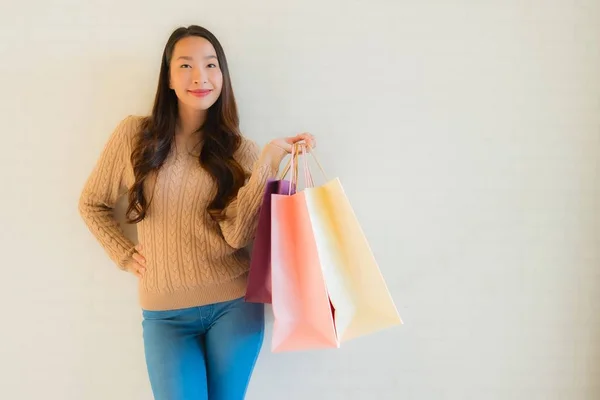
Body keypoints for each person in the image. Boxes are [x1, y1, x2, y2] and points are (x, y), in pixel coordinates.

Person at [78, 24, 315, 400]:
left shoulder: (241, 151)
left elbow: (237, 237)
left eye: (211, 64)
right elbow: (91, 203)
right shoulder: (133, 136)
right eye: (185, 66)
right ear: (168, 78)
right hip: (165, 317)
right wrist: (123, 253)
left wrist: (268, 161)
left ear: (223, 76)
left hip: (233, 310)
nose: (200, 77)